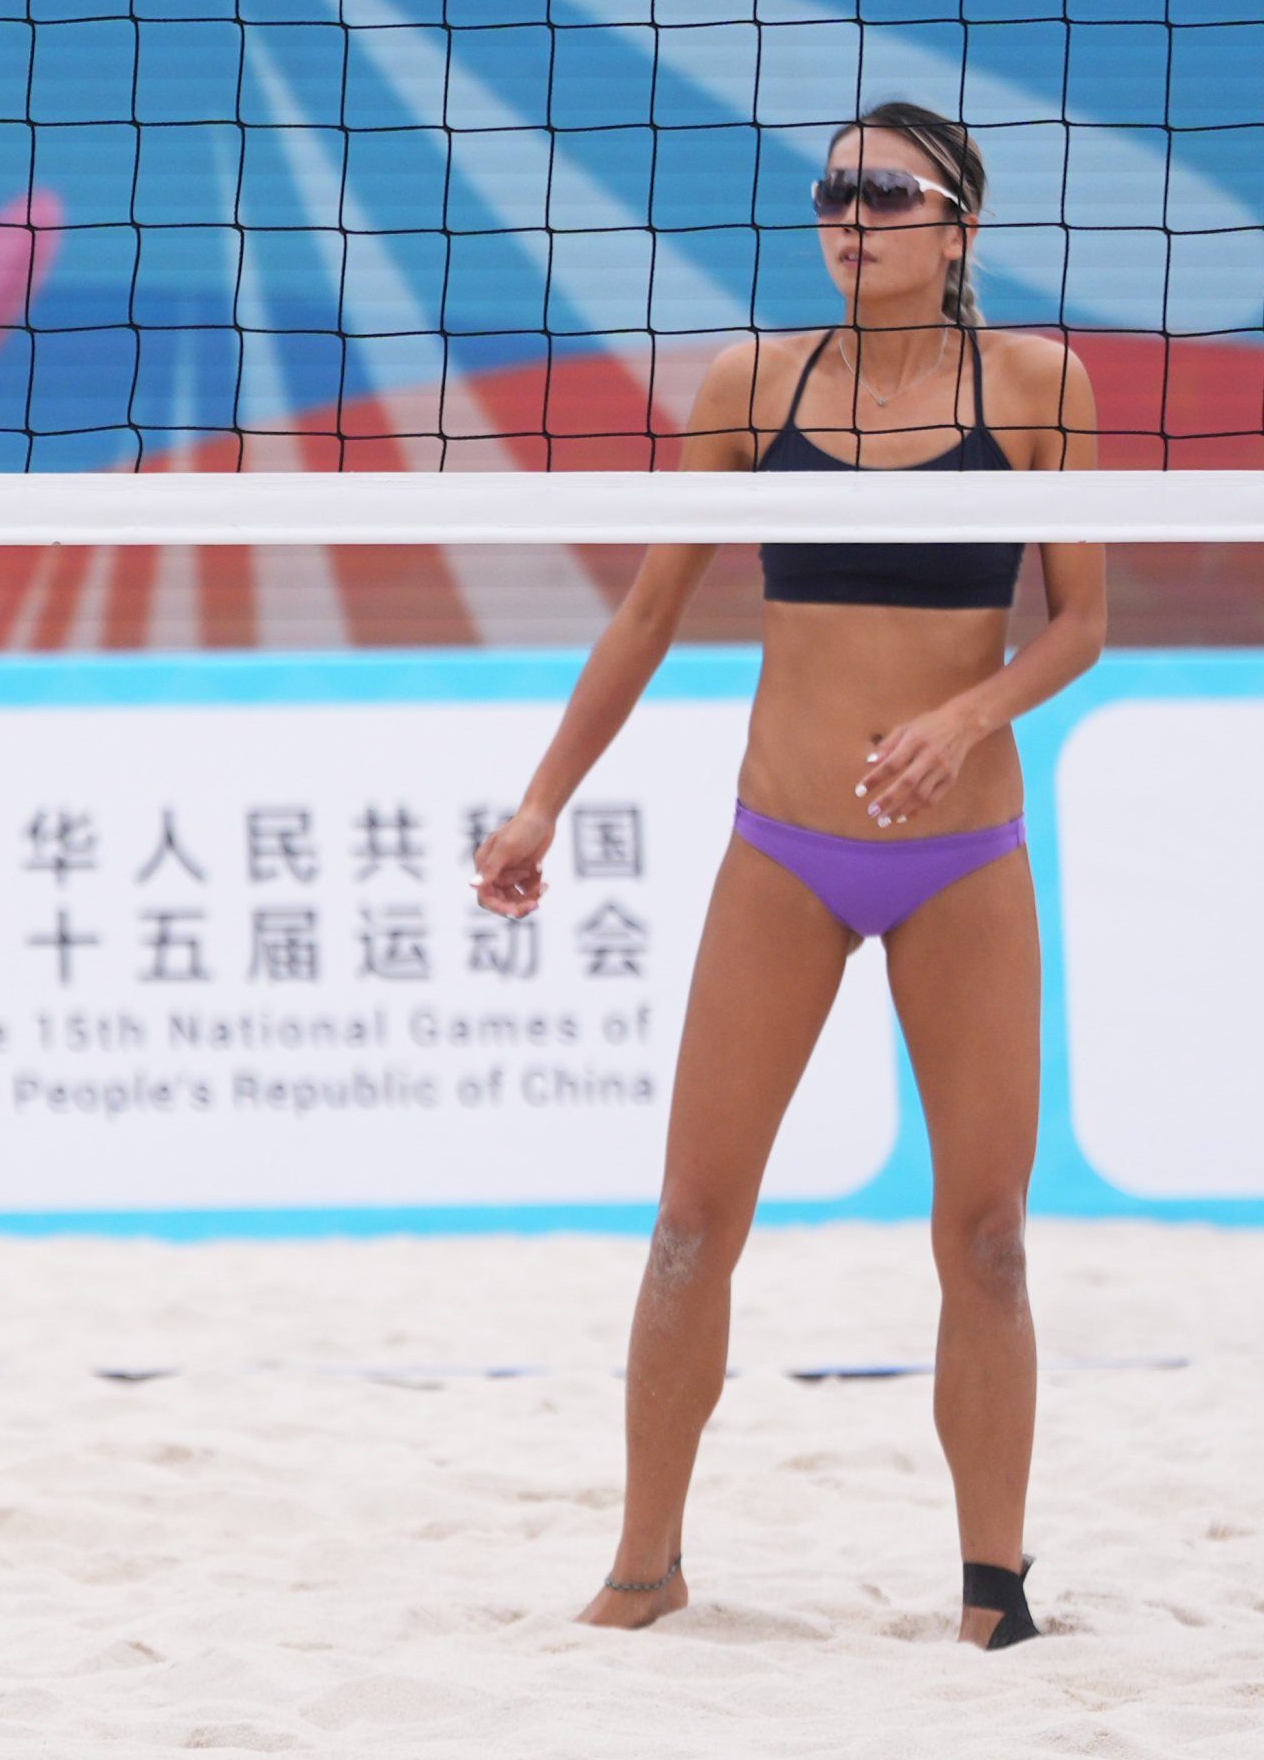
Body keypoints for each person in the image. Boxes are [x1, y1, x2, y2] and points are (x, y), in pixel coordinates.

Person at [471, 101, 1104, 1651]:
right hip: (785, 845)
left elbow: (1083, 622)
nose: (847, 218)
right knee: (690, 1220)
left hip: (958, 856)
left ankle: (992, 1595)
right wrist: (540, 802)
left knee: (986, 1235)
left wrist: (964, 715)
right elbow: (644, 614)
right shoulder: (752, 382)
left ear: (955, 225)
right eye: (831, 193)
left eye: (883, 192)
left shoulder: (1036, 385)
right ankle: (644, 1568)